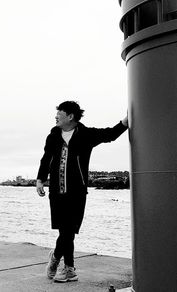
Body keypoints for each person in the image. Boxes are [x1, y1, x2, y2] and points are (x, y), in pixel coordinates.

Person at [36, 101, 128, 283]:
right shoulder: (53, 135)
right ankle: (69, 270)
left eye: (59, 114)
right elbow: (46, 158)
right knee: (65, 231)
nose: (56, 117)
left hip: (77, 192)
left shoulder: (86, 135)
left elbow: (109, 134)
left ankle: (55, 258)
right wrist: (40, 180)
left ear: (70, 116)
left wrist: (125, 122)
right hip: (57, 192)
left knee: (69, 230)